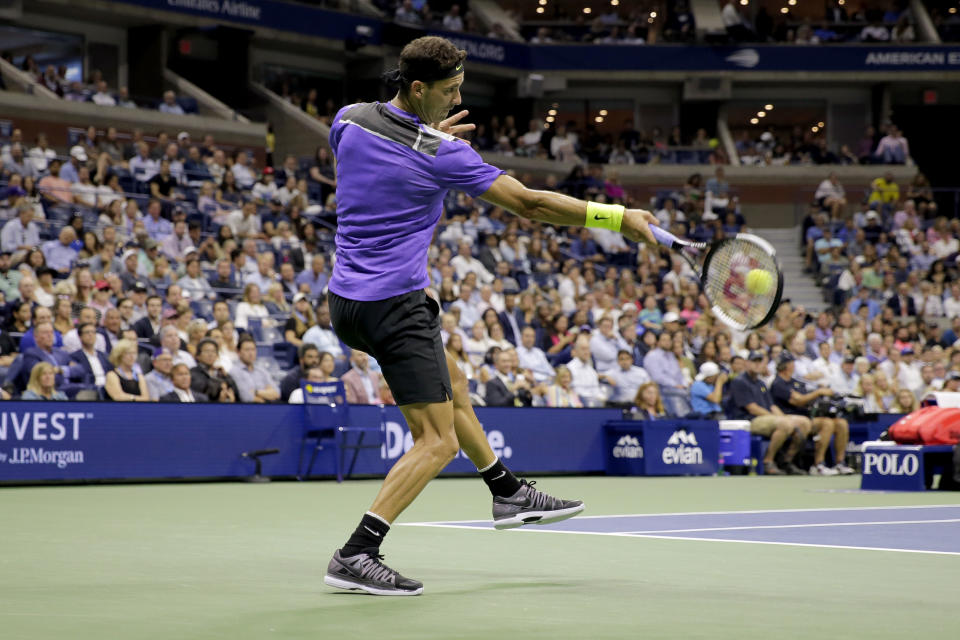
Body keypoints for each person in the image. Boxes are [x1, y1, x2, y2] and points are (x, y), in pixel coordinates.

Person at [322, 36, 656, 595]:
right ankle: (357, 553)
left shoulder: (349, 120)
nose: (457, 100)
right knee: (437, 442)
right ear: (418, 87)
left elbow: (386, 148)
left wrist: (424, 134)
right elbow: (530, 203)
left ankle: (506, 491)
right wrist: (616, 216)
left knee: (454, 382)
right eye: (448, 92)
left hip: (346, 300)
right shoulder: (444, 154)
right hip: (394, 305)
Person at [730, 351, 812, 476]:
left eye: (759, 362)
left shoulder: (761, 383)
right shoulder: (740, 381)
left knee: (804, 422)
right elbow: (752, 408)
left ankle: (787, 461)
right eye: (754, 361)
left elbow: (772, 406)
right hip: (749, 420)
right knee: (784, 424)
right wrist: (780, 419)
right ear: (747, 363)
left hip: (767, 418)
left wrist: (784, 417)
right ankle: (768, 461)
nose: (757, 365)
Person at [770, 357, 853, 475]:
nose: (793, 365)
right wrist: (818, 392)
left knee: (841, 423)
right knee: (827, 423)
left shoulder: (795, 382)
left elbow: (807, 397)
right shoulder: (778, 383)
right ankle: (818, 465)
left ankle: (840, 463)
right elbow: (798, 400)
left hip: (807, 417)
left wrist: (820, 395)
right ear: (786, 366)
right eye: (791, 363)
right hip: (791, 419)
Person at [230, 335, 280, 403]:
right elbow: (246, 397)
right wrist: (267, 393)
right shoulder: (234, 372)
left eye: (253, 349)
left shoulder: (262, 371)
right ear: (238, 352)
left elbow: (277, 393)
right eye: (247, 350)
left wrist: (256, 392)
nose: (251, 353)